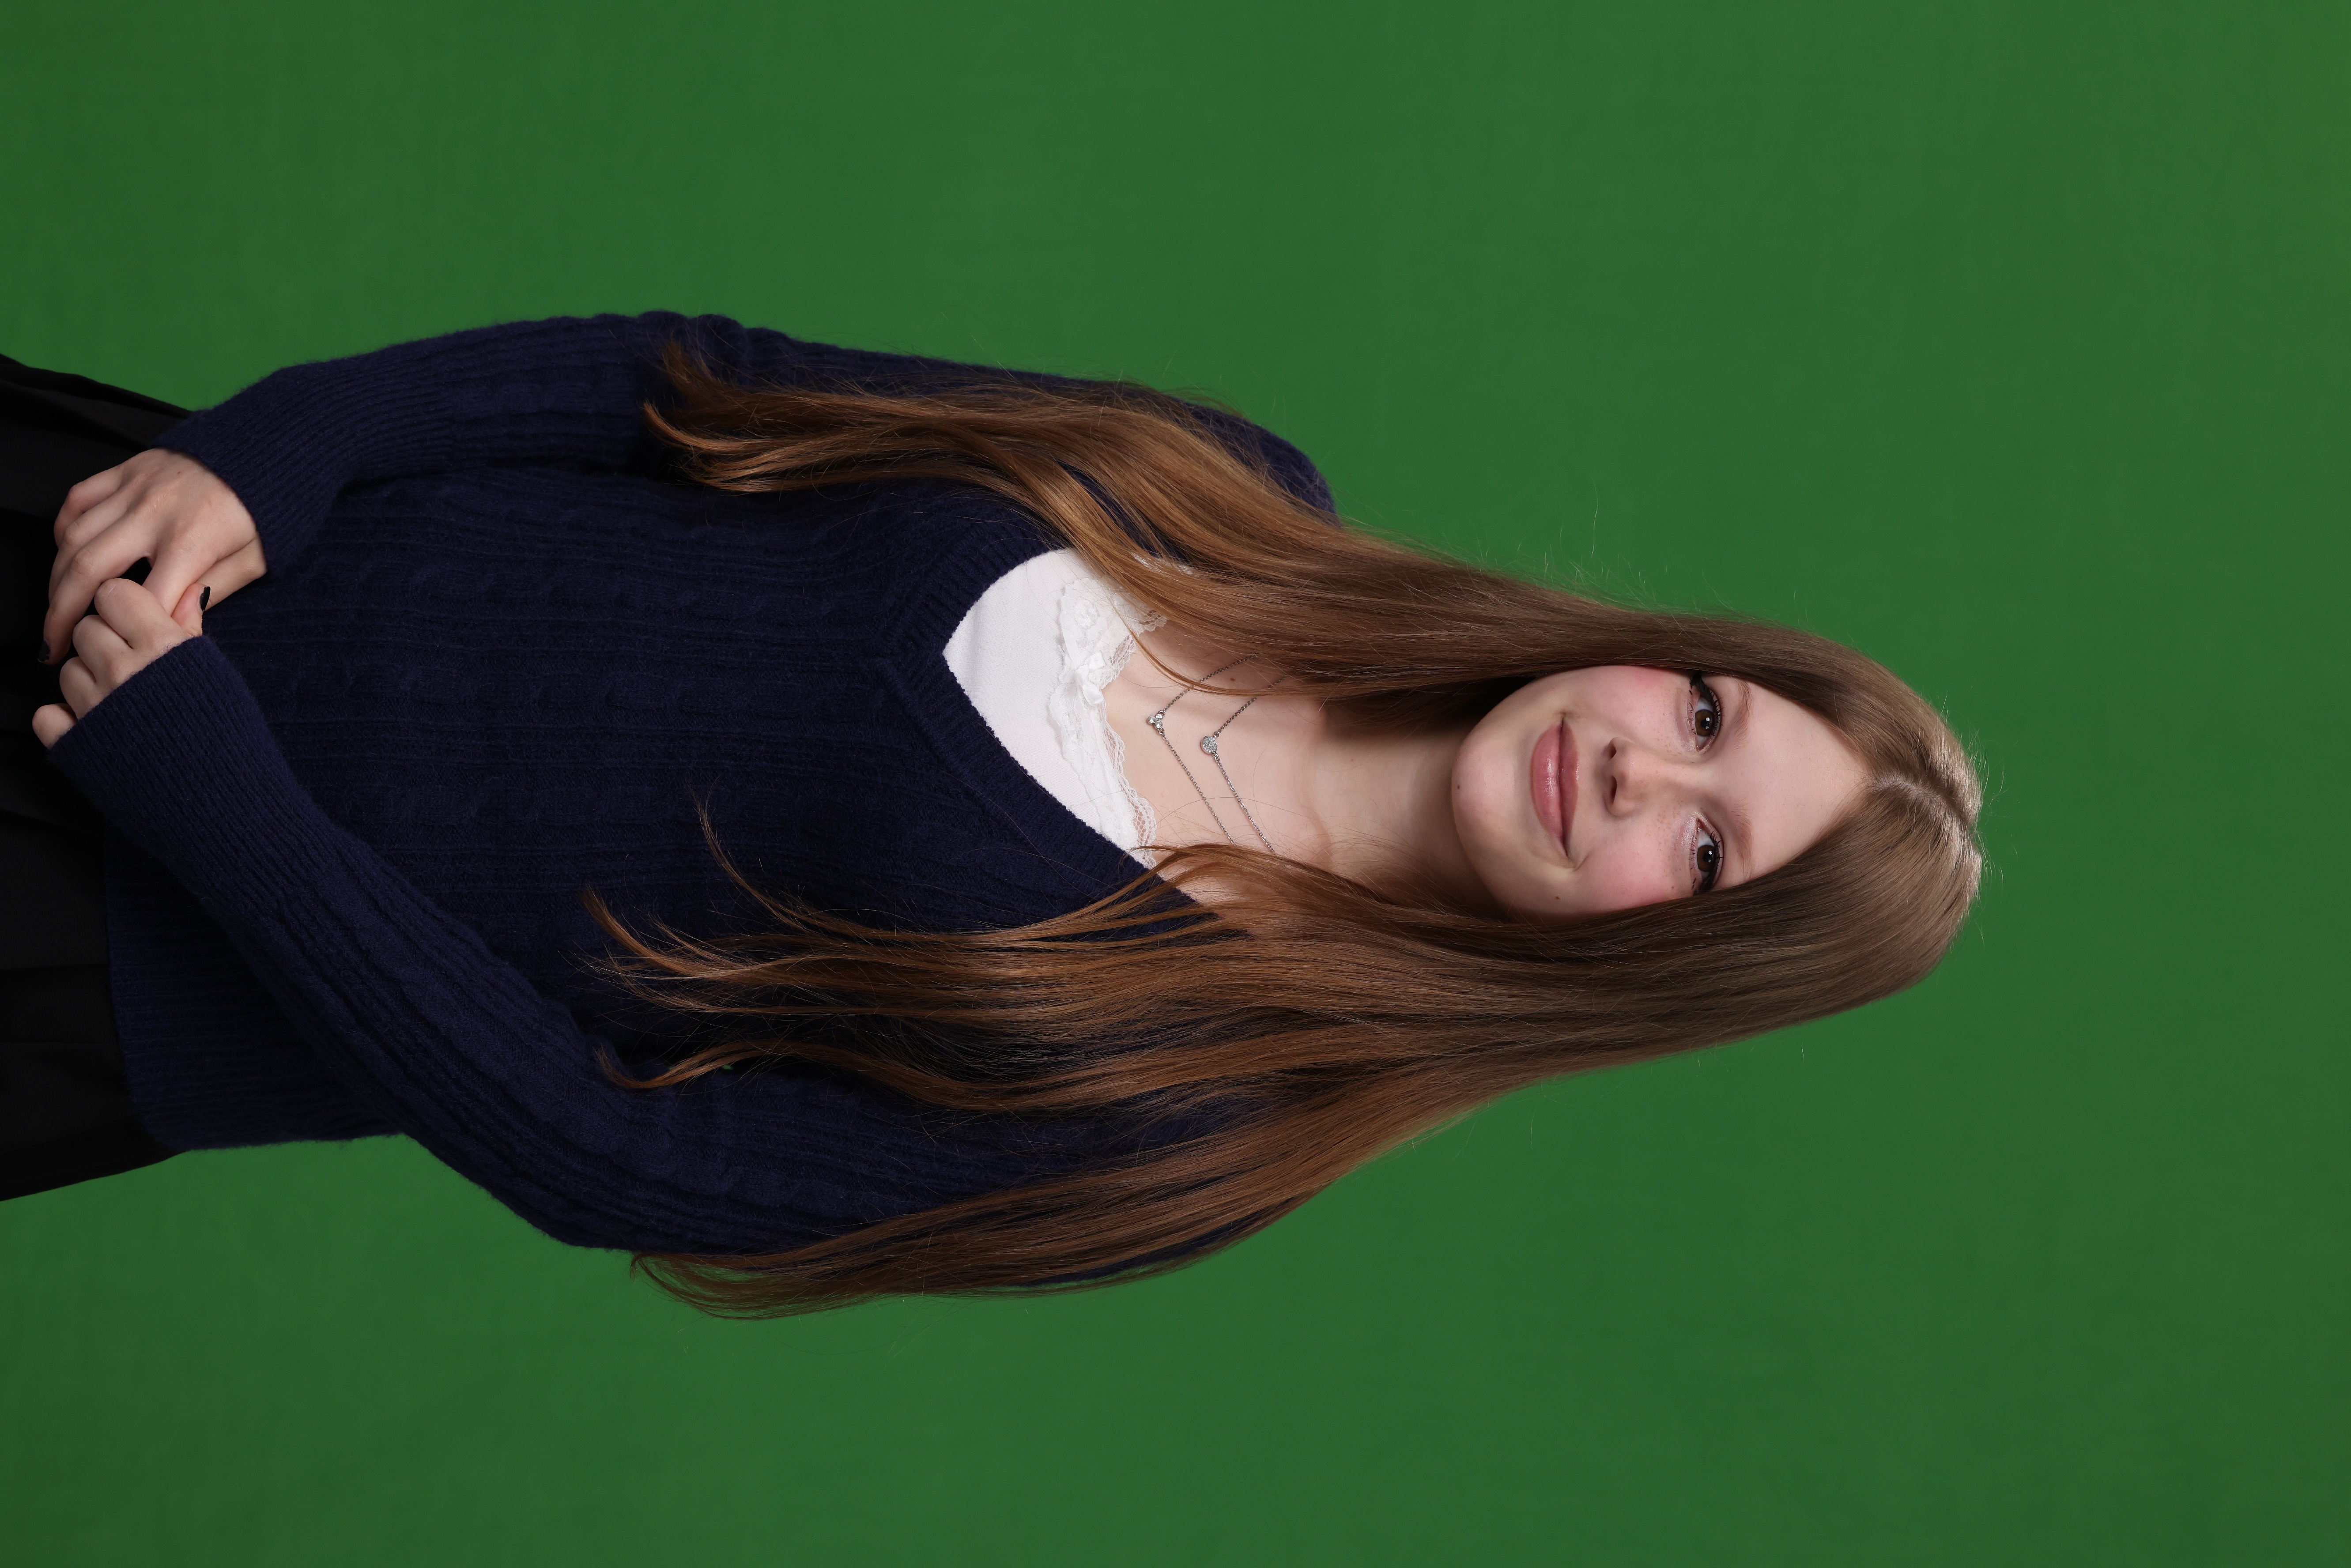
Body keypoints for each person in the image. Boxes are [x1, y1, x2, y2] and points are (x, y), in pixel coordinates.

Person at [0, 315, 1982, 1316]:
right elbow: (705, 387)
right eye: (1704, 714)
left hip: (100, 933)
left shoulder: (1204, 1114)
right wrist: (288, 445)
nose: (1644, 768)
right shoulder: (1222, 487)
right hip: (148, 531)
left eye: (1706, 849)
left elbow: (624, 1159)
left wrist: (226, 809)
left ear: (1656, 965)